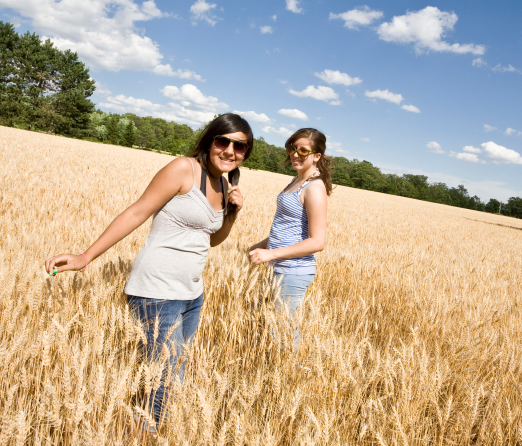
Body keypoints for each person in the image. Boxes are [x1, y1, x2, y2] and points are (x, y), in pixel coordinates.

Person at [45, 113, 252, 429]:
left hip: (191, 295)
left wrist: (232, 214)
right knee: (162, 383)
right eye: (223, 141)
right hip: (157, 291)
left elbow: (210, 240)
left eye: (240, 147)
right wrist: (86, 256)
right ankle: (142, 434)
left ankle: (143, 431)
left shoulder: (223, 185)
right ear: (210, 141)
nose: (230, 151)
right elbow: (138, 211)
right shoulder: (183, 169)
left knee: (171, 377)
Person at [247, 128, 332, 349]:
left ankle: (285, 370)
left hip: (292, 272)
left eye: (303, 150)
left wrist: (271, 254)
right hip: (276, 267)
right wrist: (261, 245)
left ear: (317, 156)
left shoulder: (314, 188)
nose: (295, 154)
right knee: (263, 330)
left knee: (282, 338)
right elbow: (288, 229)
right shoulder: (296, 180)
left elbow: (318, 242)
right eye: (292, 148)